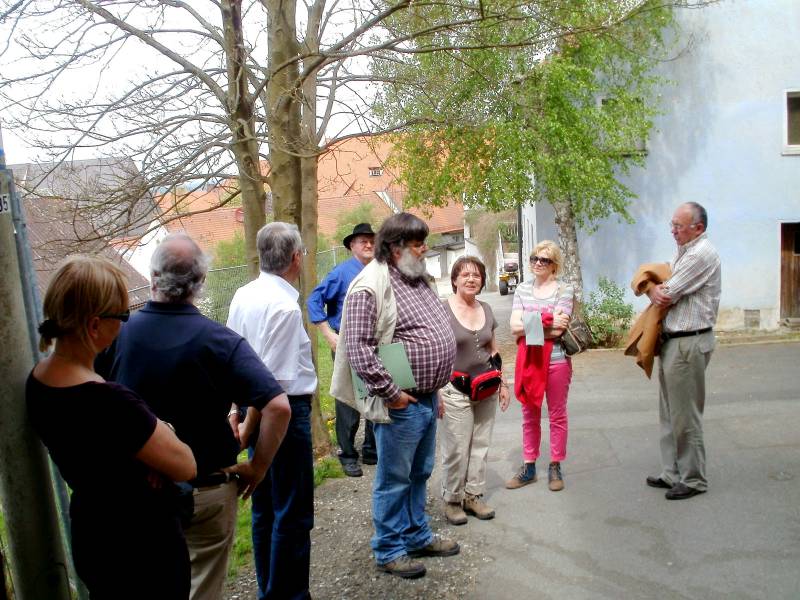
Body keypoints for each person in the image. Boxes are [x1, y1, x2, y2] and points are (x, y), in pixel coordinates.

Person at [96, 233, 291, 600]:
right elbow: (278, 406)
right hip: (207, 490)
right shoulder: (220, 341)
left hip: (138, 495)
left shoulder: (116, 336)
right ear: (200, 282)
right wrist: (258, 467)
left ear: (153, 278)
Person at [27, 256, 197, 599]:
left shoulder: (39, 381)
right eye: (122, 316)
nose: (124, 323)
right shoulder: (108, 401)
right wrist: (162, 432)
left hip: (94, 537)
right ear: (94, 326)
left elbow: (102, 453)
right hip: (142, 552)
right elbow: (185, 464)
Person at [331, 212, 459, 580]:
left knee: (420, 472)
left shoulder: (415, 277)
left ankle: (416, 535)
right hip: (401, 403)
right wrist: (392, 394)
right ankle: (388, 548)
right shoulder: (368, 286)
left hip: (426, 397)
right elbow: (358, 348)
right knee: (394, 479)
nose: (425, 249)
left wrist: (436, 388)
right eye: (418, 244)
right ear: (395, 247)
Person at [227, 222, 316, 600]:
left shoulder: (243, 294)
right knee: (292, 513)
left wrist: (237, 411)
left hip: (254, 407)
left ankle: (269, 591)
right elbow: (273, 385)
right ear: (295, 257)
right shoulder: (284, 307)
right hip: (280, 413)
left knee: (265, 508)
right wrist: (248, 425)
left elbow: (233, 359)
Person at [645, 202, 721, 500]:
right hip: (675, 341)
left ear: (698, 228)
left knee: (685, 415)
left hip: (689, 341)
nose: (673, 230)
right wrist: (652, 285)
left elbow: (665, 293)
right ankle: (671, 473)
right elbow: (659, 279)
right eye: (672, 224)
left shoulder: (700, 254)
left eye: (678, 226)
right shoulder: (685, 251)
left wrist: (650, 287)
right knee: (669, 411)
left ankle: (693, 479)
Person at [439, 256, 510, 525]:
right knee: (457, 448)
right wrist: (436, 389)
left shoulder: (487, 308)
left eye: (476, 275)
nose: (471, 279)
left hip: (487, 387)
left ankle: (473, 496)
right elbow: (435, 350)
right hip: (455, 389)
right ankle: (452, 499)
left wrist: (503, 383)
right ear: (454, 280)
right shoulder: (442, 309)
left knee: (481, 445)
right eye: (465, 275)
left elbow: (494, 350)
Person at [307, 222, 377, 477]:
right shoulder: (341, 273)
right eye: (362, 241)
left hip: (376, 345)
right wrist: (328, 334)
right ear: (351, 246)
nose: (368, 244)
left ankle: (372, 449)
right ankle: (347, 454)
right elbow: (314, 300)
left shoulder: (381, 271)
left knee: (376, 395)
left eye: (371, 241)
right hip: (347, 345)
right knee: (348, 400)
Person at [506, 241, 573, 492]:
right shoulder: (522, 289)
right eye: (534, 258)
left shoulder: (564, 289)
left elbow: (560, 329)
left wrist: (529, 323)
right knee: (529, 415)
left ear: (554, 265)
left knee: (557, 414)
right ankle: (529, 467)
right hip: (529, 361)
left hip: (556, 360)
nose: (537, 263)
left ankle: (555, 465)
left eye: (544, 260)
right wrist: (546, 320)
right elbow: (513, 327)